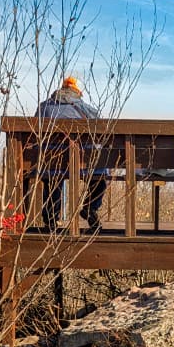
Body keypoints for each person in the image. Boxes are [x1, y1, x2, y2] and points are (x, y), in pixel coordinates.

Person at [36, 76, 107, 231]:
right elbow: (101, 131)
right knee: (100, 176)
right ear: (77, 91)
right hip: (83, 162)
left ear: (61, 89)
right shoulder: (87, 109)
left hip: (52, 162)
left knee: (52, 178)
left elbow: (34, 134)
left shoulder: (43, 108)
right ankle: (90, 207)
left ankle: (51, 218)